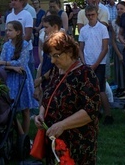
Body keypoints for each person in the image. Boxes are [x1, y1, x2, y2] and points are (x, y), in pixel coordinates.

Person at [33, 32, 101, 164]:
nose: (52, 61)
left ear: (69, 51)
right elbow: (47, 98)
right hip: (54, 141)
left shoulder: (85, 74)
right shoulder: (55, 71)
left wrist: (63, 125)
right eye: (50, 56)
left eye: (56, 56)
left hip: (77, 143)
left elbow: (90, 111)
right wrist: (41, 115)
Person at [0, 20, 38, 135]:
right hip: (10, 79)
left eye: (10, 30)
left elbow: (22, 62)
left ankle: (25, 135)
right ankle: (21, 135)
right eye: (6, 30)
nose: (7, 32)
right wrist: (12, 67)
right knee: (11, 109)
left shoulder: (25, 45)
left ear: (18, 32)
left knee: (25, 110)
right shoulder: (6, 45)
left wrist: (7, 63)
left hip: (22, 79)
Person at [77, 6, 114, 125]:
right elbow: (80, 48)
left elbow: (105, 48)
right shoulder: (83, 30)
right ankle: (93, 112)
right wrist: (83, 62)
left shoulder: (102, 28)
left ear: (97, 14)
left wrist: (96, 64)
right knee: (88, 89)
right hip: (87, 63)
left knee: (101, 89)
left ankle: (108, 114)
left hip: (100, 63)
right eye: (88, 15)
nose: (90, 17)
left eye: (92, 15)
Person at [34, 14, 63, 99]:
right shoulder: (48, 41)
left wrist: (41, 79)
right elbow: (43, 62)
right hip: (44, 81)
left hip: (55, 81)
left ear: (55, 27)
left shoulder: (60, 44)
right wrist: (38, 83)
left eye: (46, 27)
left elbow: (56, 67)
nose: (44, 30)